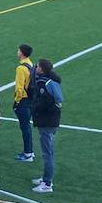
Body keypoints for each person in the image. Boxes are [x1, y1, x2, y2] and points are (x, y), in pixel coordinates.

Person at [31, 58, 63, 195]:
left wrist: (34, 109)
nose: (36, 68)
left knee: (47, 153)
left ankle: (47, 183)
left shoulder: (45, 83)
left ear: (42, 69)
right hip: (52, 120)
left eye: (37, 66)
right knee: (48, 151)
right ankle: (45, 178)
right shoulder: (52, 81)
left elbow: (46, 102)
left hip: (47, 121)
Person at [12, 43, 35, 163]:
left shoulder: (21, 68)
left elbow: (19, 88)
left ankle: (28, 154)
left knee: (25, 126)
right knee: (27, 126)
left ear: (21, 53)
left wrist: (16, 102)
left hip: (23, 100)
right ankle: (29, 151)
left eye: (18, 50)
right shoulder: (31, 64)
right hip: (31, 99)